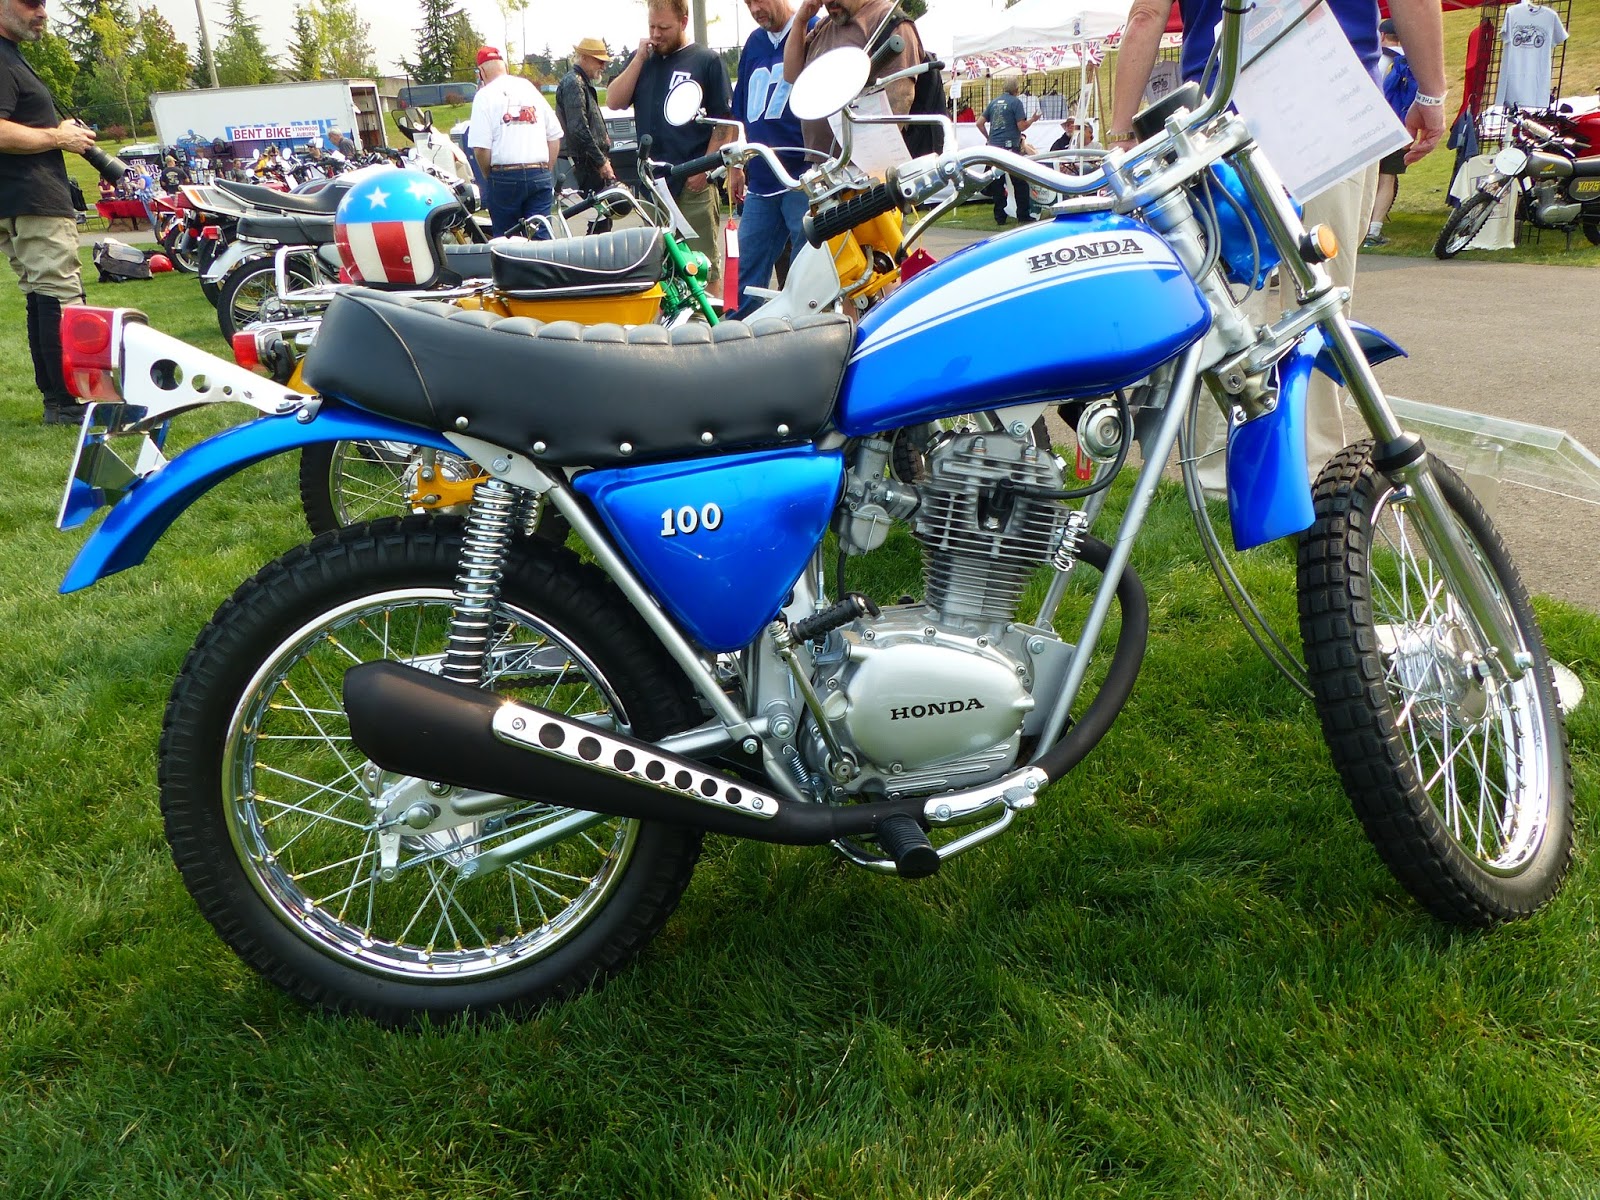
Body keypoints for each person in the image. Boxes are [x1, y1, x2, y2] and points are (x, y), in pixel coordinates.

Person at [1106, 0, 1446, 488]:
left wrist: (1121, 133)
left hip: (1219, 106)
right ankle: (1313, 466)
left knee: (1223, 298)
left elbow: (1147, 15)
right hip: (1332, 88)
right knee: (1319, 296)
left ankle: (1212, 468)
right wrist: (1430, 94)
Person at [0, 0, 94, 425]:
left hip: (22, 198)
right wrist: (59, 137)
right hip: (32, 197)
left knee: (42, 296)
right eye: (31, 3)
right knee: (59, 295)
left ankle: (60, 398)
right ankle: (69, 402)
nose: (42, 12)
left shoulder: (12, 56)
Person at [608, 0, 735, 294]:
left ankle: (711, 330)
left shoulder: (705, 61)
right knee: (660, 268)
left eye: (663, 27)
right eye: (651, 26)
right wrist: (639, 58)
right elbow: (614, 100)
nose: (656, 34)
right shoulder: (643, 60)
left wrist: (703, 169)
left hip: (693, 183)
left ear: (683, 21)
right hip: (653, 187)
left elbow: (725, 122)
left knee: (703, 266)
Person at [728, 0, 809, 315]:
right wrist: (736, 166)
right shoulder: (754, 42)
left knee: (807, 276)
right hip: (762, 178)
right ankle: (735, 346)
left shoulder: (812, 29)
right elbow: (740, 113)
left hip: (803, 176)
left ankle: (805, 344)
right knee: (742, 275)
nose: (754, 8)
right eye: (748, 2)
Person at [782, 0, 923, 159]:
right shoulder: (824, 26)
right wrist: (800, 21)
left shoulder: (888, 21)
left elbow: (900, 98)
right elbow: (791, 74)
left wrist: (870, 163)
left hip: (862, 170)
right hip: (823, 167)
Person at [467, 45, 564, 238]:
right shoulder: (529, 88)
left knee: (507, 240)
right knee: (541, 235)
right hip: (539, 172)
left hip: (505, 176)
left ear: (482, 72)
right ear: (505, 67)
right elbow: (554, 135)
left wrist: (490, 175)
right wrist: (545, 168)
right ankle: (545, 266)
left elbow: (480, 149)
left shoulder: (484, 96)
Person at [1365, 19, 1416, 247]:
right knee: (1387, 178)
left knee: (1364, 177)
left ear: (1383, 35)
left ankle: (1355, 227)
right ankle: (1374, 230)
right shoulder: (1413, 61)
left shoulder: (1375, 58)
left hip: (1369, 125)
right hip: (1398, 127)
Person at [555, 36, 616, 212]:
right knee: (601, 216)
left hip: (588, 161)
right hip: (586, 163)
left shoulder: (579, 81)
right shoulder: (575, 82)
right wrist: (601, 161)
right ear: (584, 58)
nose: (603, 66)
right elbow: (578, 129)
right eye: (599, 61)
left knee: (602, 217)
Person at [975, 77, 1036, 225]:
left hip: (994, 148)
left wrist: (989, 138)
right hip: (1010, 148)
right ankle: (1023, 215)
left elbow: (979, 123)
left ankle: (999, 217)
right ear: (1016, 89)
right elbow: (1021, 126)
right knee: (1020, 182)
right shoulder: (1016, 103)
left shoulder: (994, 102)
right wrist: (1033, 119)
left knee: (997, 182)